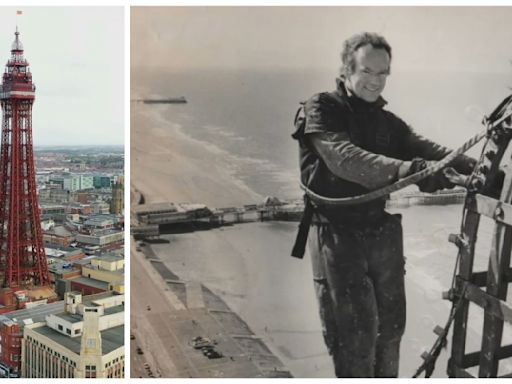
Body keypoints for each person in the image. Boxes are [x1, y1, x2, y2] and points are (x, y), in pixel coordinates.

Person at [292, 32, 476, 377]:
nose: (376, 81)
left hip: (380, 234)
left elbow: (427, 149)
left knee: (390, 331)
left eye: (383, 73)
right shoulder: (321, 108)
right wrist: (409, 170)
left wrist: (479, 169)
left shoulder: (386, 123)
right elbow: (344, 159)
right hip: (336, 234)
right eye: (368, 71)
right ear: (347, 70)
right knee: (354, 338)